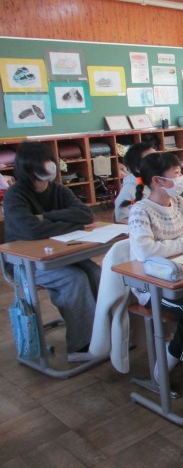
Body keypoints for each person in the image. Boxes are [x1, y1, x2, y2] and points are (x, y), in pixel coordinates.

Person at [3, 142, 100, 362]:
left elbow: (85, 215)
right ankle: (80, 346)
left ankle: (101, 334)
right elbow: (31, 230)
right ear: (28, 167)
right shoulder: (15, 195)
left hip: (59, 254)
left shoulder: (58, 190)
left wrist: (46, 217)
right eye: (43, 162)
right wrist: (73, 224)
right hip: (23, 263)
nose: (49, 165)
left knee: (95, 272)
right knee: (74, 279)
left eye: (49, 160)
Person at [128, 152, 183, 380]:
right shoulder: (141, 210)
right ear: (157, 181)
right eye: (176, 173)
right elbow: (146, 251)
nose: (181, 178)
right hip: (153, 286)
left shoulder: (180, 202)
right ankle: (171, 355)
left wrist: (169, 245)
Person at [113, 142, 155, 223]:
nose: (160, 163)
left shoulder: (163, 183)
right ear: (137, 169)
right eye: (151, 160)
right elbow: (121, 222)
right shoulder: (128, 191)